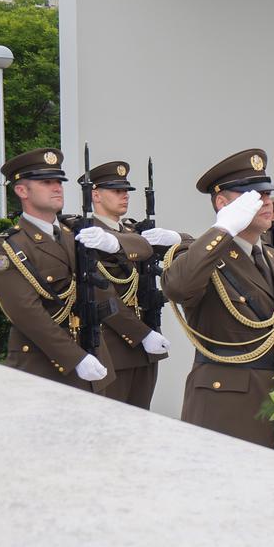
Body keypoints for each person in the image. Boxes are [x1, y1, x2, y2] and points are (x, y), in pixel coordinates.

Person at [163, 149, 274, 448]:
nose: (266, 202)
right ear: (222, 203)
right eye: (252, 195)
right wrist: (223, 230)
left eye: (266, 194)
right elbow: (176, 287)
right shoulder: (202, 257)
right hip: (226, 407)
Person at [0, 148, 148, 394]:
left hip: (92, 357)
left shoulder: (73, 234)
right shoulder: (8, 248)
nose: (57, 187)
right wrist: (75, 358)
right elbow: (27, 314)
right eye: (46, 182)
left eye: (59, 181)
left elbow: (100, 289)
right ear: (21, 191)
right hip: (43, 367)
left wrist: (141, 334)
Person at [82, 159, 179, 407]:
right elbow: (101, 295)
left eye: (126, 191)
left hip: (145, 350)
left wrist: (176, 237)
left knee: (141, 425)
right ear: (95, 195)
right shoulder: (87, 235)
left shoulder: (132, 231)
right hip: (112, 347)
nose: (124, 196)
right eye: (116, 191)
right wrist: (141, 334)